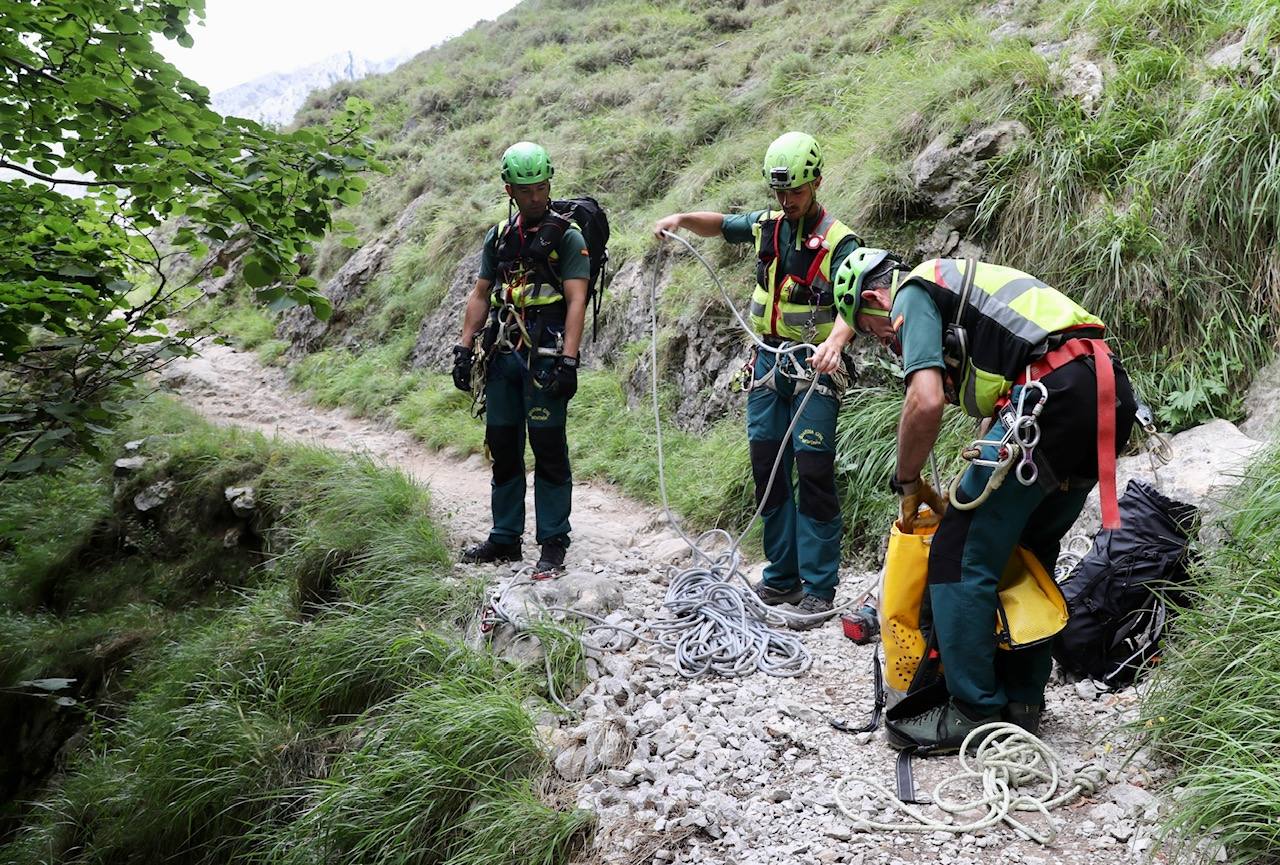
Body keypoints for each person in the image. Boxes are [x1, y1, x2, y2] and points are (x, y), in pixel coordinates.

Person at [826, 250, 1138, 750]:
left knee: (956, 552)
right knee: (1026, 554)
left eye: (872, 329)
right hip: (1104, 396)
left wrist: (908, 481)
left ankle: (974, 709)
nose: (886, 344)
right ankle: (1022, 701)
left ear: (874, 299)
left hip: (1049, 397)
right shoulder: (965, 296)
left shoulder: (912, 292)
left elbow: (924, 400)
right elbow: (1002, 396)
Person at [654, 132, 862, 629]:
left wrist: (836, 342)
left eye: (795, 191)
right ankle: (782, 575)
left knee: (812, 472)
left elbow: (856, 301)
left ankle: (819, 587)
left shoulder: (840, 241)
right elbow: (721, 225)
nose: (787, 201)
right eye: (779, 192)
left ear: (816, 183)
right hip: (767, 364)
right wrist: (681, 218)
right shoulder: (768, 225)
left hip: (814, 368)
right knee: (768, 467)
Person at [451, 141, 589, 576]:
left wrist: (569, 360)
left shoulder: (567, 236)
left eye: (541, 187)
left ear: (549, 183)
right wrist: (464, 345)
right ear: (509, 189)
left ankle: (553, 543)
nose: (535, 196)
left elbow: (575, 301)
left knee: (548, 448)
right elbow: (480, 293)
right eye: (526, 189)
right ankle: (505, 539)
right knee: (504, 447)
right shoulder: (499, 236)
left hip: (546, 357)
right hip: (502, 354)